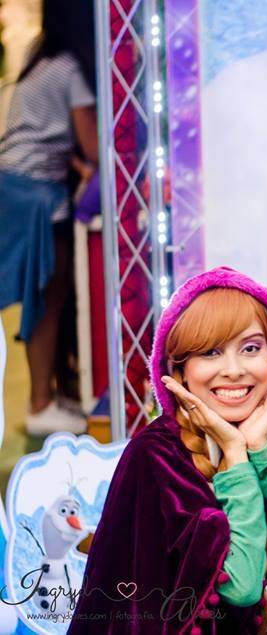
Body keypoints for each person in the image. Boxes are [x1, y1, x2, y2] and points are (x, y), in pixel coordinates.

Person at [69, 267, 267, 634]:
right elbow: (239, 588)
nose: (233, 370)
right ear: (179, 370)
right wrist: (236, 460)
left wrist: (262, 455)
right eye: (210, 352)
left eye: (251, 348)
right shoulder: (156, 456)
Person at [0, 0, 97, 435]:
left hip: (15, 184)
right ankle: (40, 403)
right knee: (48, 296)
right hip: (39, 195)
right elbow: (94, 148)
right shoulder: (70, 70)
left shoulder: (38, 65)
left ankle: (45, 396)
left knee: (42, 296)